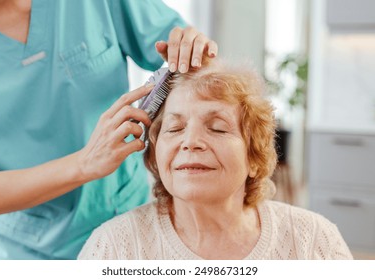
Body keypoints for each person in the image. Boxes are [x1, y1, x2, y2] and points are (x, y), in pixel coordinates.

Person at [0, 0, 218, 259]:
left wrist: (191, 52)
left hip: (131, 218)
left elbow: (195, 64)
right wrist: (83, 164)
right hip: (28, 249)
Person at [78, 57, 353, 260]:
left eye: (218, 128)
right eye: (174, 129)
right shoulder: (112, 248)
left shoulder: (314, 241)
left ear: (254, 156)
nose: (190, 142)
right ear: (156, 154)